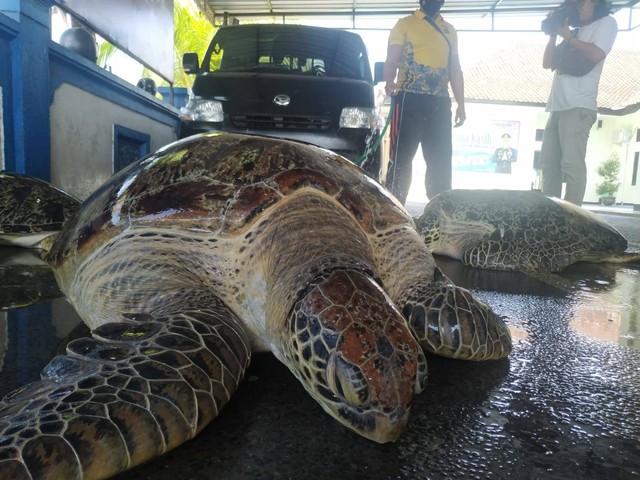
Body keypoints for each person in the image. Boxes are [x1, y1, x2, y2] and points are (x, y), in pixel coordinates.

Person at [383, 0, 465, 205]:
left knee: (441, 161)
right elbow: (392, 58)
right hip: (408, 99)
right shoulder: (405, 24)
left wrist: (461, 105)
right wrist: (389, 80)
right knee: (401, 159)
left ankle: (440, 209)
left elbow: (455, 69)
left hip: (440, 102)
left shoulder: (450, 30)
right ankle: (394, 207)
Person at [540, 0, 617, 206]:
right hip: (556, 106)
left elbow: (597, 53)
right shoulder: (574, 31)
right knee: (549, 165)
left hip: (578, 105)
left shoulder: (607, 23)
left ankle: (573, 221)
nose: (579, 6)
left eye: (583, 1)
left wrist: (567, 36)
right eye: (575, 3)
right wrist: (554, 34)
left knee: (572, 164)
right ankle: (550, 215)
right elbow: (547, 63)